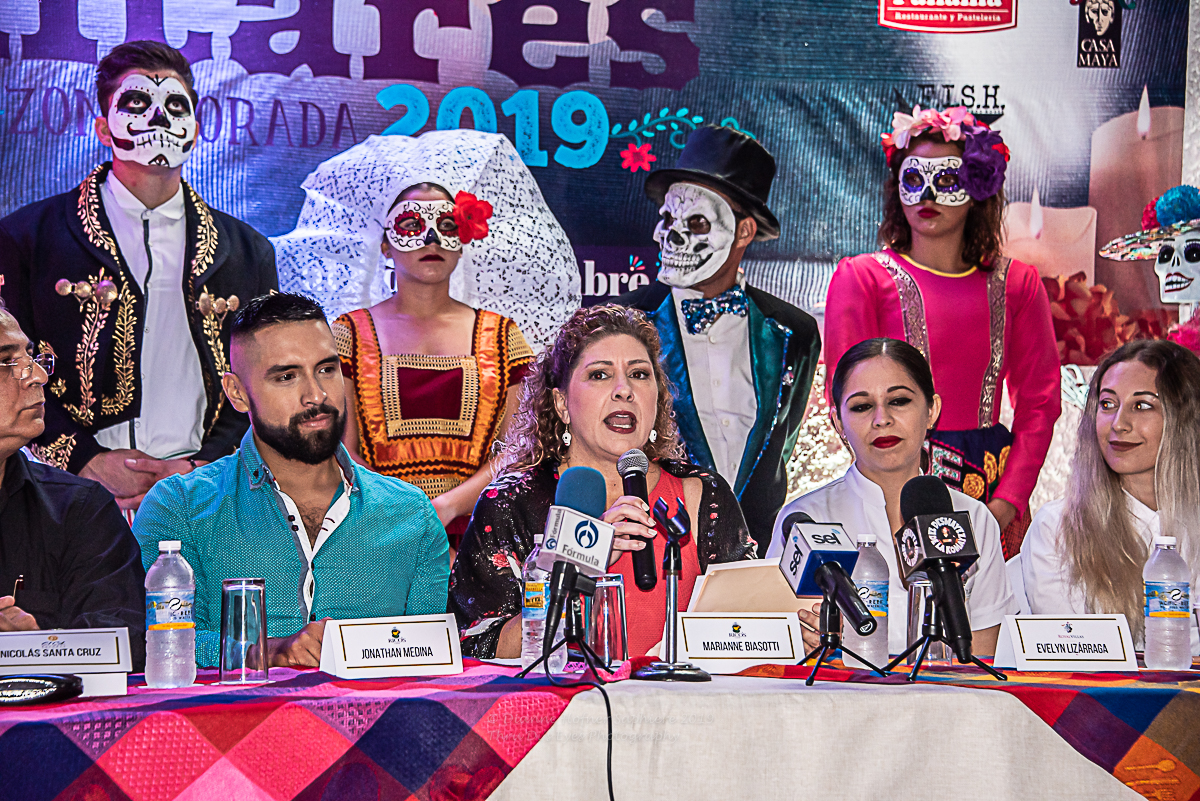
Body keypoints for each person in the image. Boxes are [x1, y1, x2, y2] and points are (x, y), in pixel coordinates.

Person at [0, 41, 277, 510]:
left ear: (195, 128)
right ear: (102, 129)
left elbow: (262, 375)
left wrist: (204, 466)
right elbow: (8, 366)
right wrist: (83, 460)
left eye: (175, 106)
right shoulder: (28, 237)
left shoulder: (248, 251)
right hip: (66, 495)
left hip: (206, 493)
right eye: (136, 103)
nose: (158, 117)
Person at [133, 293, 449, 668]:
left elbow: (432, 656)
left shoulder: (411, 514)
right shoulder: (180, 506)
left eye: (327, 369)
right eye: (286, 377)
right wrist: (267, 651)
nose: (316, 395)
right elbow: (164, 638)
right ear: (237, 393)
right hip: (234, 707)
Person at [450, 305, 756, 658]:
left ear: (658, 398)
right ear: (561, 404)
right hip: (560, 694)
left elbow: (750, 626)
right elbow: (473, 648)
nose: (624, 390)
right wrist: (582, 565)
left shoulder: (703, 493)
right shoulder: (512, 502)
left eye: (639, 374)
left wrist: (793, 626)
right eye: (600, 375)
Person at [823, 106, 1060, 560]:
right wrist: (884, 493)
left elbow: (1041, 404)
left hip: (994, 489)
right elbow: (848, 398)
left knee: (992, 605)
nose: (927, 194)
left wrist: (1007, 503)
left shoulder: (1017, 283)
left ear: (979, 186)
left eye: (947, 179)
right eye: (914, 179)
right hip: (891, 486)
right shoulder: (862, 278)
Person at [618, 126, 820, 556]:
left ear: (743, 232)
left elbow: (780, 448)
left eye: (696, 223)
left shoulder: (794, 333)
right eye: (667, 220)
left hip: (759, 557)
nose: (668, 236)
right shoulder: (626, 324)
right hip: (660, 552)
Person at [768, 338, 1017, 656]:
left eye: (899, 401)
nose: (881, 419)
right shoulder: (805, 520)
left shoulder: (974, 518)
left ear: (932, 411)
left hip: (947, 687)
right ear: (838, 423)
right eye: (862, 406)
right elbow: (778, 643)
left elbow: (982, 657)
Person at [333, 183, 532, 550]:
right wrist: (404, 510)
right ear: (385, 245)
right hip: (380, 533)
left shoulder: (504, 336)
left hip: (481, 536)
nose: (431, 238)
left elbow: (518, 448)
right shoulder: (348, 334)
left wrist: (449, 506)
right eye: (411, 225)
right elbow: (342, 450)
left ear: (463, 242)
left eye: (447, 225)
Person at [1022, 340, 1200, 651]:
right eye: (1107, 404)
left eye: (1141, 406)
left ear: (1185, 417)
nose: (1119, 424)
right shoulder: (1057, 528)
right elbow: (1073, 650)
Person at [0, 303, 146, 669]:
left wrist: (31, 651)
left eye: (31, 357)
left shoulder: (80, 509)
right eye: (6, 361)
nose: (37, 376)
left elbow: (125, 642)